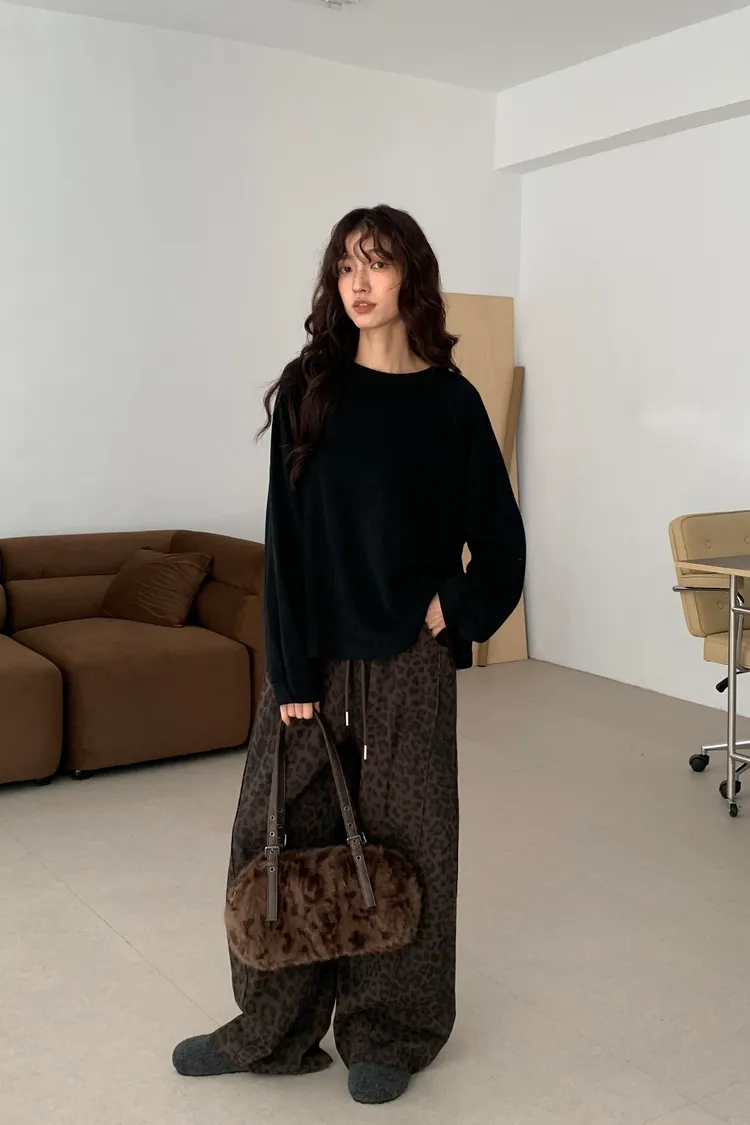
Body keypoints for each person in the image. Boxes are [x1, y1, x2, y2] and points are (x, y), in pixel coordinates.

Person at [172, 205, 526, 1104]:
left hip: (410, 656)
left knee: (413, 839)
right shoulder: (312, 388)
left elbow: (502, 538)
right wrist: (290, 669)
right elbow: (285, 543)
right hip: (317, 660)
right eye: (344, 266)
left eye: (376, 263)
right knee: (274, 833)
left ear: (412, 276)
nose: (358, 282)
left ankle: (390, 1029)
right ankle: (272, 1027)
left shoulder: (452, 404)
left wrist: (456, 607)